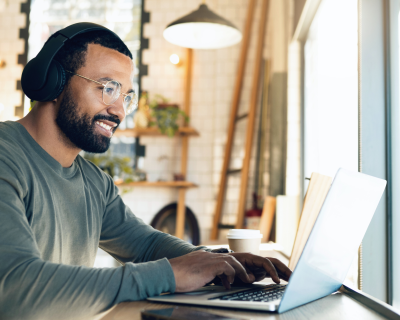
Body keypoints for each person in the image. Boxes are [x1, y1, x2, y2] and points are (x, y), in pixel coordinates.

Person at [0, 23, 292, 320]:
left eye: (126, 96)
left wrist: (220, 261)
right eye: (108, 88)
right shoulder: (5, 157)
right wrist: (169, 273)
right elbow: (17, 289)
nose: (119, 111)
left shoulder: (94, 183)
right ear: (53, 82)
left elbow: (147, 244)